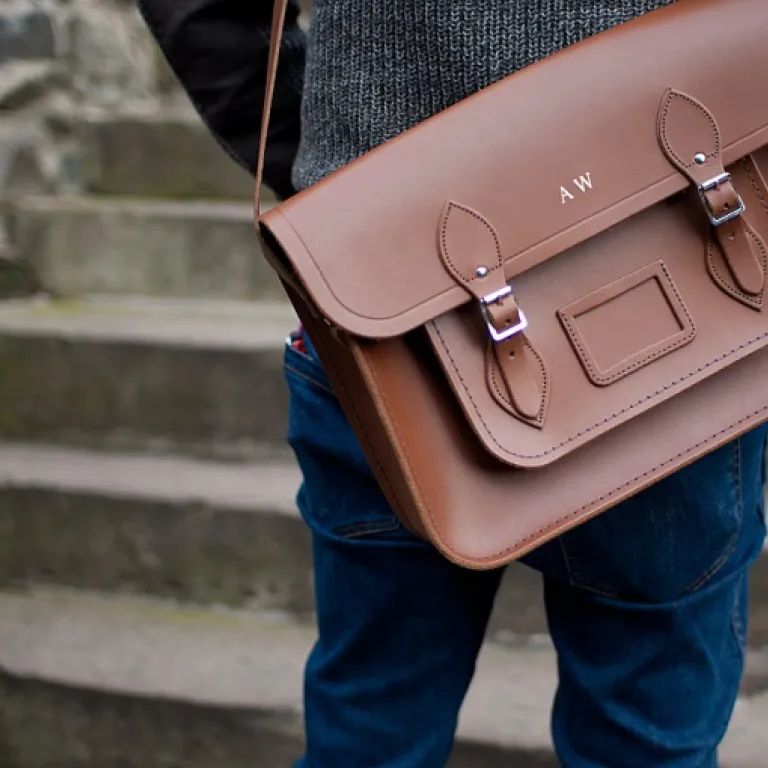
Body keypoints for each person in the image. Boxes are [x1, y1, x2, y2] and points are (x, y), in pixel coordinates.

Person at [136, 2, 768, 765]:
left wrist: (341, 173)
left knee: (373, 724)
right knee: (643, 740)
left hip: (385, 293)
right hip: (672, 268)